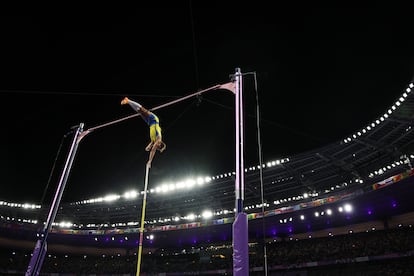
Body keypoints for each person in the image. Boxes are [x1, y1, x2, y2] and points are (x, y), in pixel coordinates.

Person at [121, 97, 166, 167]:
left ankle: (128, 101)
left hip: (150, 123)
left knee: (139, 111)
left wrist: (148, 147)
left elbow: (148, 148)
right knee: (142, 109)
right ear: (160, 144)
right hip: (154, 120)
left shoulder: (154, 141)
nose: (156, 147)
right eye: (158, 147)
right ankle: (128, 100)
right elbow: (152, 150)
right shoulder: (159, 139)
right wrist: (150, 161)